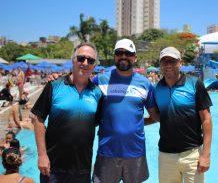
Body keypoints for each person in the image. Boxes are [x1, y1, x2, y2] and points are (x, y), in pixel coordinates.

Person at [31, 43, 102, 183]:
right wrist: (42, 155)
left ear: (94, 65)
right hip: (52, 167)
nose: (85, 63)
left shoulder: (97, 93)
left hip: (83, 169)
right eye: (81, 58)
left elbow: (93, 124)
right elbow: (38, 119)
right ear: (73, 60)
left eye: (90, 60)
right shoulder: (54, 86)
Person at [92, 38, 160, 183]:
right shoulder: (100, 81)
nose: (123, 56)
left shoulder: (145, 84)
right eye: (119, 53)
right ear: (114, 56)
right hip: (107, 151)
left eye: (128, 53)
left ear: (135, 57)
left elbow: (155, 116)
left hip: (135, 152)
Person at [154, 47, 212, 183]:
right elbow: (159, 116)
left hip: (192, 154)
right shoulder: (156, 89)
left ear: (180, 62)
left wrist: (206, 155)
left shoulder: (195, 83)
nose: (168, 65)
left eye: (172, 61)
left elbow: (206, 120)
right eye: (164, 61)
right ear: (160, 64)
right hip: (166, 155)